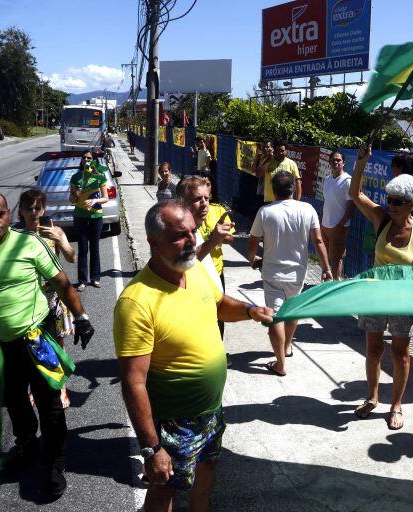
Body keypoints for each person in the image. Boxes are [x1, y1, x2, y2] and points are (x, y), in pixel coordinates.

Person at [113, 201, 273, 512]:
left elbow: (219, 304)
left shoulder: (195, 268)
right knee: (165, 489)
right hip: (175, 421)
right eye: (179, 236)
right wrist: (152, 449)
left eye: (192, 232)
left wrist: (251, 311)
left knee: (208, 470)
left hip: (211, 411)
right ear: (153, 242)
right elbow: (134, 383)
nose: (191, 241)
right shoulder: (137, 302)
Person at [0, 191, 95, 497]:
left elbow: (61, 282)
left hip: (36, 338)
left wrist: (81, 317)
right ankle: (27, 445)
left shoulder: (29, 244)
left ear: (9, 214)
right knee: (15, 401)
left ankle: (55, 462)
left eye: (0, 213)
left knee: (50, 404)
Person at [348, 146, 413, 430]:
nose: (391, 204)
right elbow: (355, 194)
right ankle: (371, 398)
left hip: (404, 301)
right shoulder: (381, 219)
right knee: (373, 350)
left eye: (398, 200)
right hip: (375, 297)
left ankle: (396, 406)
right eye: (389, 199)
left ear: (411, 203)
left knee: (401, 354)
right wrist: (361, 162)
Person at [248, 171, 332, 377]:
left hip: (272, 273)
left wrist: (252, 258)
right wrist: (326, 268)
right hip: (297, 273)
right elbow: (318, 241)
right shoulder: (308, 209)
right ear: (294, 189)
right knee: (293, 311)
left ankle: (280, 363)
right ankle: (286, 347)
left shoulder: (265, 211)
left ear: (273, 190)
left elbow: (253, 240)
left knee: (275, 317)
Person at [17, 188, 77, 409]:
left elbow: (71, 258)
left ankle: (61, 388)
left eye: (37, 208)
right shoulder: (16, 236)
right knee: (33, 346)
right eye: (29, 209)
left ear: (43, 209)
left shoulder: (54, 231)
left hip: (54, 298)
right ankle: (36, 388)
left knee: (58, 345)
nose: (34, 213)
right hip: (29, 300)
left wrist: (61, 241)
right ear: (21, 211)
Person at [175, 176, 234, 296]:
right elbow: (180, 265)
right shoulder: (176, 229)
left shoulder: (195, 227)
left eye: (206, 198)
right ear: (181, 201)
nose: (204, 204)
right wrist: (213, 240)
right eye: (197, 199)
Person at [69, 150, 109, 290]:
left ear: (93, 160)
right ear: (81, 160)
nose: (86, 160)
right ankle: (82, 280)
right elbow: (71, 200)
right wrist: (75, 193)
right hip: (80, 217)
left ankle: (95, 278)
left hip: (96, 217)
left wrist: (95, 201)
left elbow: (106, 198)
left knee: (95, 248)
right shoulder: (76, 178)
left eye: (89, 158)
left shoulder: (99, 177)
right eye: (84, 158)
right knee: (82, 249)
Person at [321, 150, 356, 279]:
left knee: (336, 258)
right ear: (329, 162)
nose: (335, 162)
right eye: (333, 160)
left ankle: (335, 283)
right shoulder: (327, 179)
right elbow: (326, 201)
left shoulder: (347, 181)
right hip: (325, 224)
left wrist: (341, 223)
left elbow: (352, 205)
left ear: (343, 163)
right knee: (325, 256)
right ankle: (326, 282)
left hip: (339, 226)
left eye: (338, 160)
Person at [252, 140, 275, 205]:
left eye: (267, 147)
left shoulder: (275, 158)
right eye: (263, 147)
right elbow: (254, 171)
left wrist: (270, 157)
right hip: (262, 189)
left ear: (272, 148)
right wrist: (256, 159)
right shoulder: (261, 158)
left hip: (271, 190)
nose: (265, 149)